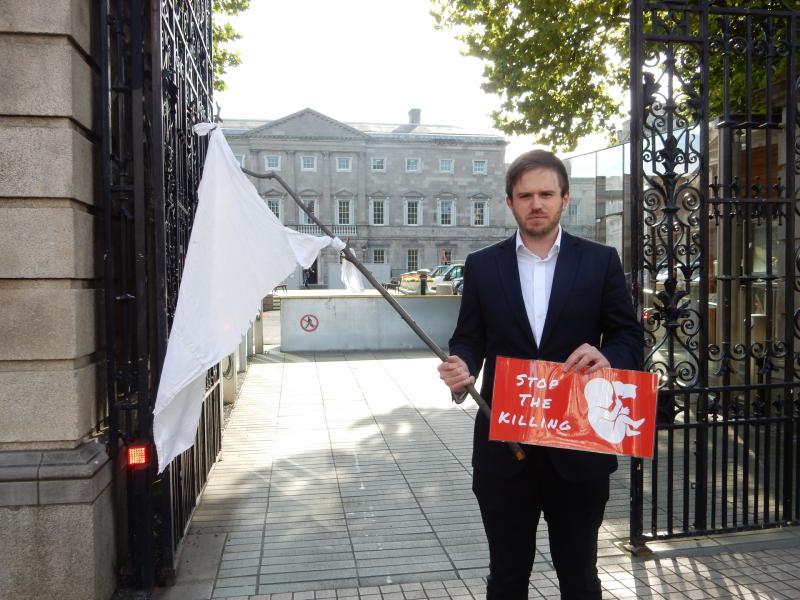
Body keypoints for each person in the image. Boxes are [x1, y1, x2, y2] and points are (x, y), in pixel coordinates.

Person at [438, 150, 643, 600]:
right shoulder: (482, 265)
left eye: (546, 194)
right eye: (525, 195)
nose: (536, 204)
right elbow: (469, 337)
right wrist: (462, 365)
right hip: (504, 447)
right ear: (509, 202)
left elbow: (629, 336)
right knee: (507, 578)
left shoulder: (600, 260)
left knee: (580, 577)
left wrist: (607, 355)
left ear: (564, 199)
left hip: (579, 446)